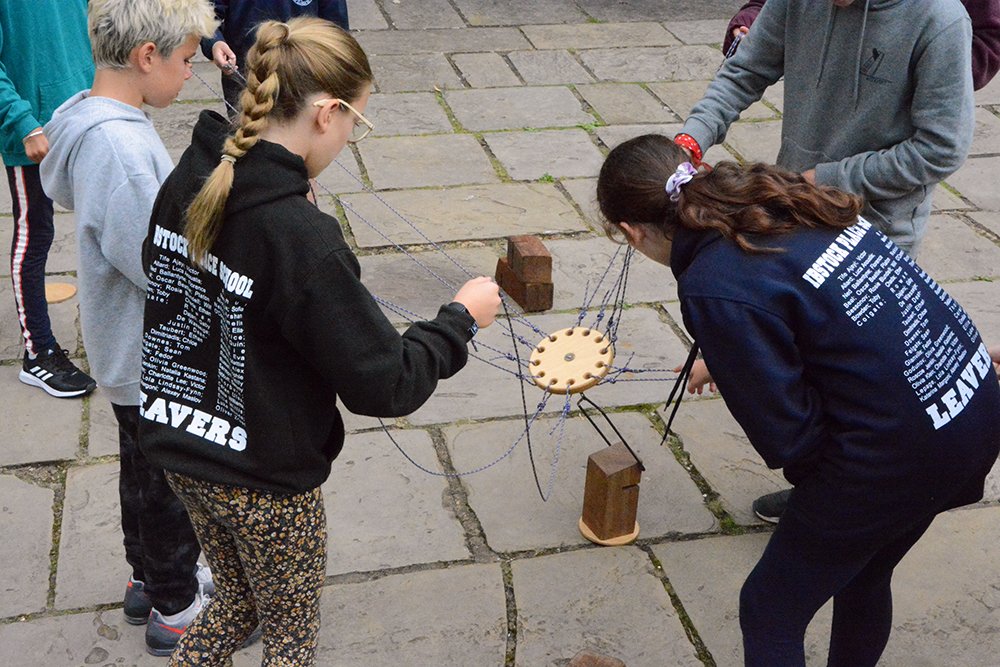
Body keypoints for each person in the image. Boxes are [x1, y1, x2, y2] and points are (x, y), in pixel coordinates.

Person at [139, 17, 500, 665]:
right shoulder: (299, 236)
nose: (350, 138)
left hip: (180, 450)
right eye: (357, 124)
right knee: (288, 642)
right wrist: (460, 320)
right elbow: (384, 381)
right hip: (264, 483)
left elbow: (165, 277)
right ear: (327, 114)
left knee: (237, 603)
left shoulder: (193, 175)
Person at [597, 133, 1000, 667]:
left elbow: (788, 434)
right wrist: (731, 354)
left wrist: (825, 498)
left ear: (632, 231)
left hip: (901, 453)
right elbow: (831, 311)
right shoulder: (778, 201)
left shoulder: (712, 281)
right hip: (971, 405)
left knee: (769, 609)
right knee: (863, 573)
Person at [678, 0, 977, 522]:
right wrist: (691, 138)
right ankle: (822, 488)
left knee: (857, 377)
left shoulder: (939, 18)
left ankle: (858, 501)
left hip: (877, 229)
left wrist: (827, 179)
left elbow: (940, 147)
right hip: (795, 215)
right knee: (801, 360)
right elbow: (746, 70)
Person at [39, 0, 218, 656]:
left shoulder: (101, 119)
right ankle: (176, 602)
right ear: (148, 57)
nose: (190, 74)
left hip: (127, 347)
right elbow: (157, 261)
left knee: (142, 468)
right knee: (170, 478)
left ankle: (147, 575)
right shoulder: (118, 145)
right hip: (148, 350)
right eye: (186, 60)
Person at [0, 0, 96, 398]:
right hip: (33, 126)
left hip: (86, 111)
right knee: (36, 231)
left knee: (102, 224)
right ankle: (38, 352)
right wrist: (22, 122)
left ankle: (110, 330)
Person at [723, 0, 1000, 91]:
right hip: (807, 164)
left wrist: (920, 77)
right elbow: (772, 6)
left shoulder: (941, 17)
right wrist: (752, 20)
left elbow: (988, 40)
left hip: (888, 198)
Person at [201, 0, 349, 116]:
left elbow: (336, 29)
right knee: (248, 135)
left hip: (303, 73)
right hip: (246, 73)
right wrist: (215, 43)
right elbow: (206, 13)